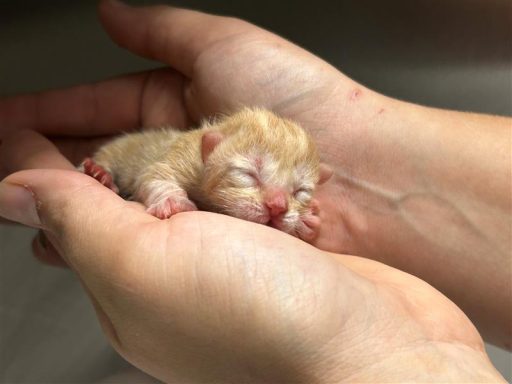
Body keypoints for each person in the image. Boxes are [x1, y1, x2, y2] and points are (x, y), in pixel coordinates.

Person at [0, 0, 509, 382]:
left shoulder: (282, 199)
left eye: (300, 191)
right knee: (121, 160)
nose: (277, 204)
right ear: (211, 149)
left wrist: (301, 224)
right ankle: (101, 175)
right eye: (249, 175)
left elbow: (289, 210)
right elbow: (157, 176)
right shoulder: (191, 149)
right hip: (132, 156)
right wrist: (163, 197)